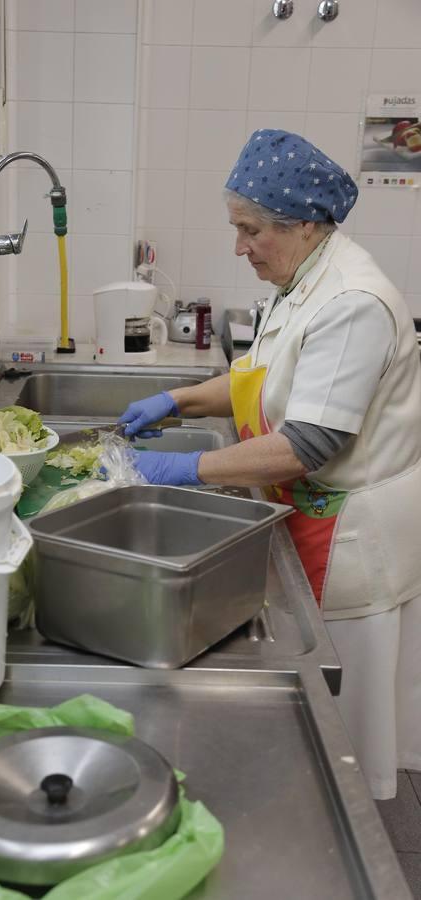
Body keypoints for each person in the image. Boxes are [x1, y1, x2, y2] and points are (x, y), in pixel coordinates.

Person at [115, 129, 421, 801]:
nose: (239, 247)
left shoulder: (352, 304)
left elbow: (307, 444)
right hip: (304, 511)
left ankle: (343, 819)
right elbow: (258, 374)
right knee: (315, 705)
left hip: (348, 531)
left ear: (304, 223)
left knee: (341, 716)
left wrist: (184, 468)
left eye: (250, 230)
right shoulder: (301, 279)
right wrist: (179, 400)